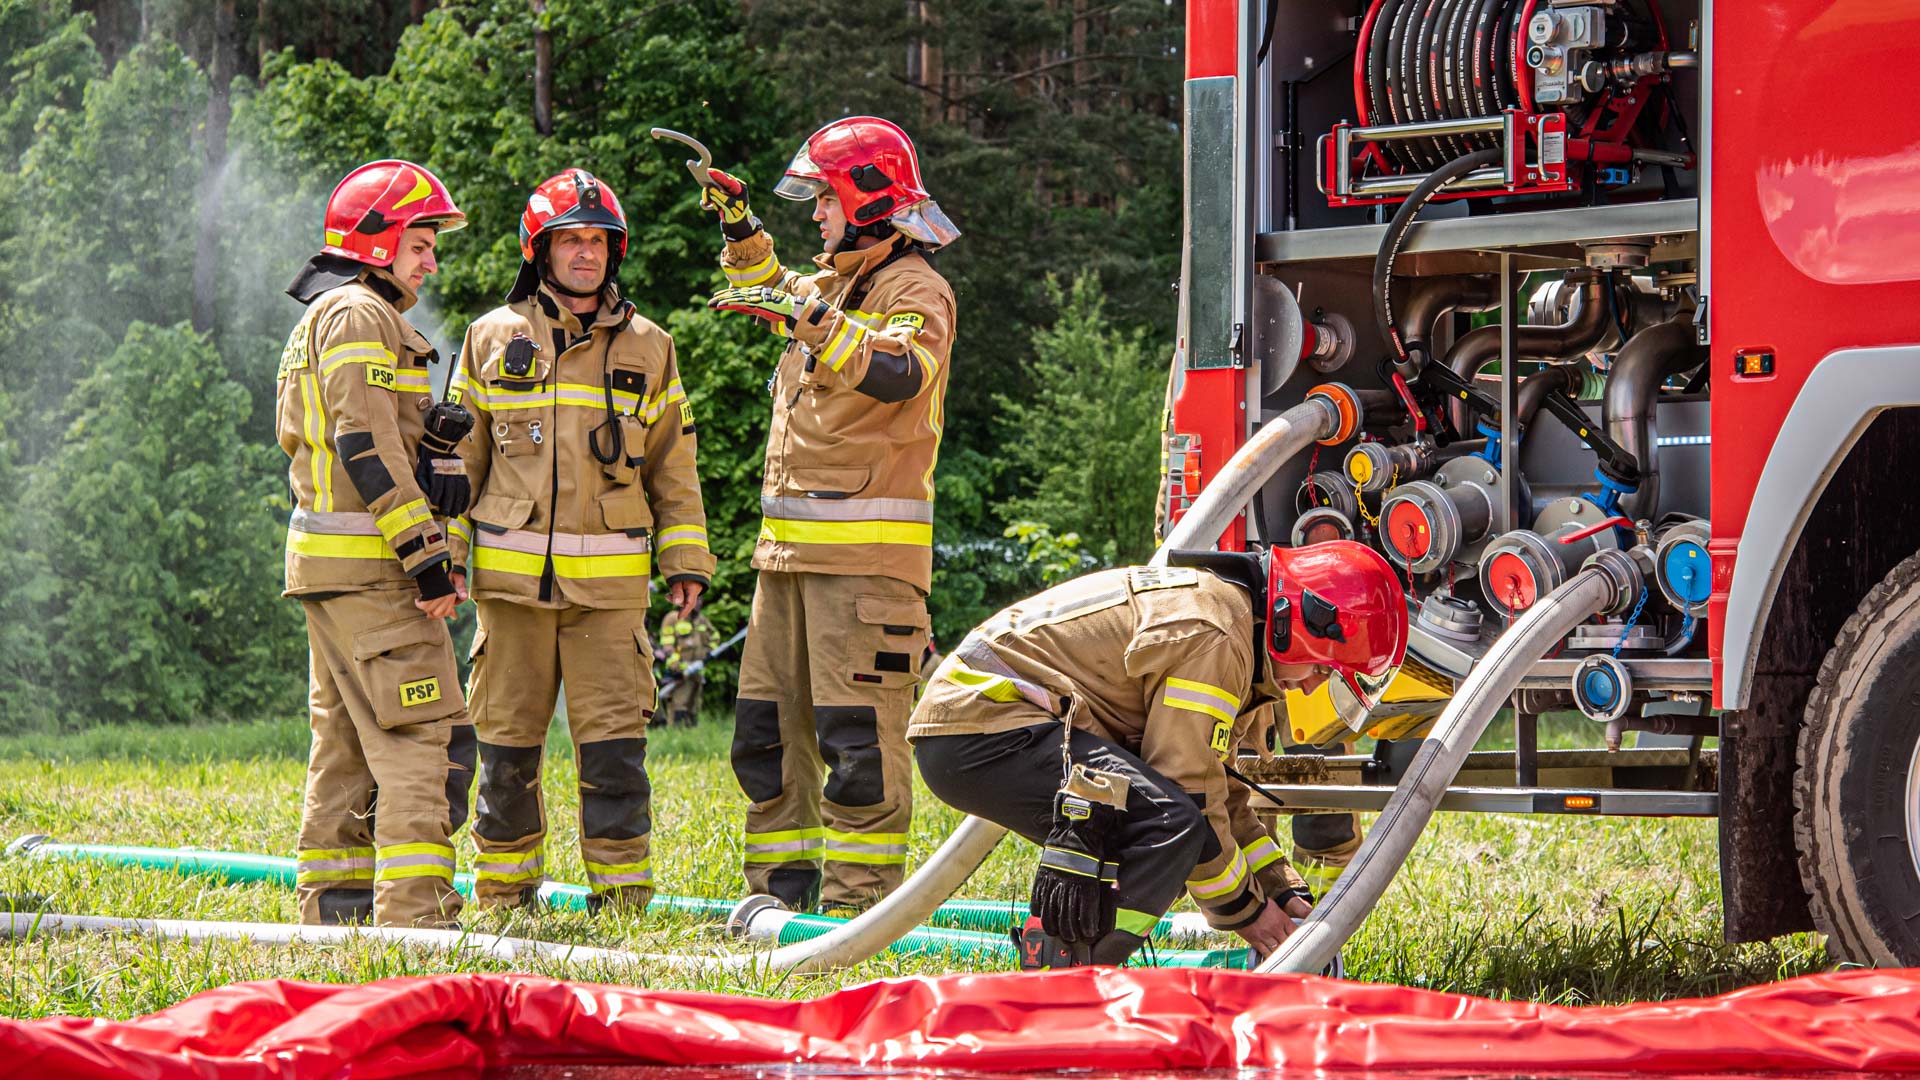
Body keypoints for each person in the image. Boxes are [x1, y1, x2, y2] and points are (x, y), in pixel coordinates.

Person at [908, 541, 1408, 967]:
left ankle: (1070, 951)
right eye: (1325, 669)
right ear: (1296, 627)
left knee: (1164, 824)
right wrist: (1250, 916)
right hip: (985, 725)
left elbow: (1224, 798)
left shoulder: (1239, 641)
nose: (1316, 684)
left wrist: (1281, 892)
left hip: (988, 724)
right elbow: (1189, 793)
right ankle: (1070, 970)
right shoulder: (1217, 639)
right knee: (1168, 827)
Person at [702, 116, 960, 915]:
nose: (814, 217)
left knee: (859, 748)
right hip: (784, 562)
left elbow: (898, 372)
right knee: (766, 739)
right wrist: (740, 227)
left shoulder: (915, 289)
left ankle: (857, 912)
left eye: (823, 201)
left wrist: (812, 321)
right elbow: (773, 289)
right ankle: (777, 904)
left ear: (867, 200)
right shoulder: (833, 285)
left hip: (867, 570)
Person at [446, 169, 714, 913]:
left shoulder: (651, 348)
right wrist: (447, 557)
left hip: (610, 599)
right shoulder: (491, 339)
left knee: (615, 756)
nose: (586, 254)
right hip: (510, 596)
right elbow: (459, 463)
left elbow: (673, 465)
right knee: (504, 754)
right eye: (570, 240)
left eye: (597, 240)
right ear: (541, 250)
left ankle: (624, 904)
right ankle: (504, 900)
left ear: (614, 251)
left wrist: (686, 559)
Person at [276, 159, 474, 928]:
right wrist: (428, 556)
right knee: (426, 736)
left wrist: (436, 450)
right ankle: (416, 922)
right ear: (378, 239)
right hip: (372, 568)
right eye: (420, 243)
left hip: (330, 567)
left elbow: (365, 434)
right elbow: (362, 442)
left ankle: (338, 910)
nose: (431, 260)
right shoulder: (359, 315)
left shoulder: (335, 316)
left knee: (347, 746)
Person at [657, 605, 716, 727]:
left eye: (701, 599)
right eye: (697, 599)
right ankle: (677, 734)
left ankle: (692, 736)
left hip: (697, 670)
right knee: (679, 703)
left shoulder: (701, 619)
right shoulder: (672, 618)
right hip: (681, 672)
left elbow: (714, 638)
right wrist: (677, 666)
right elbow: (667, 645)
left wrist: (707, 655)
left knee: (694, 704)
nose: (699, 602)